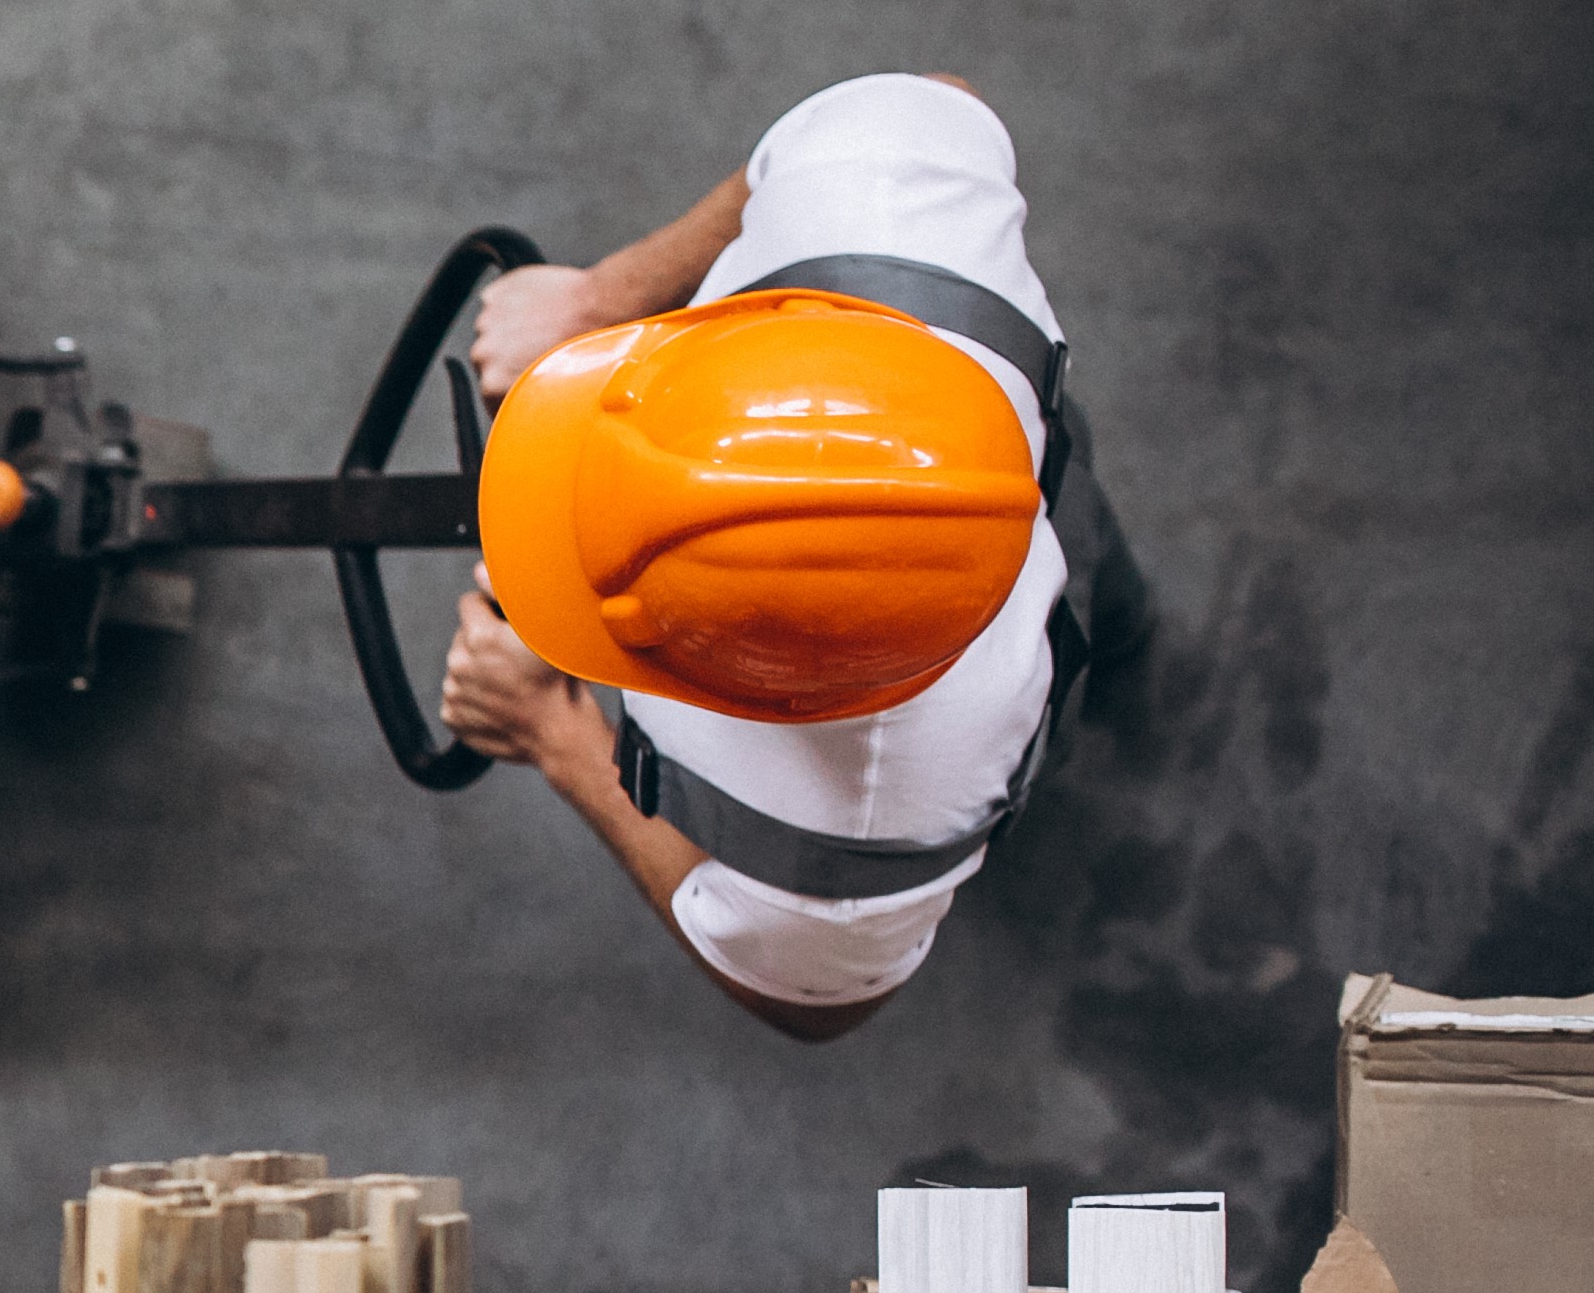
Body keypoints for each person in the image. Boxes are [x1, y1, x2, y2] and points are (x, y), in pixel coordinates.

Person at [438, 71, 1135, 1042]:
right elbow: (923, 99)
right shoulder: (883, 193)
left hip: (986, 719)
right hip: (1042, 478)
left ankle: (1126, 639)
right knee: (1105, 581)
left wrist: (556, 737)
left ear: (776, 697)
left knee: (1100, 610)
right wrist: (599, 299)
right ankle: (1130, 633)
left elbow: (818, 1008)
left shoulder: (857, 829)